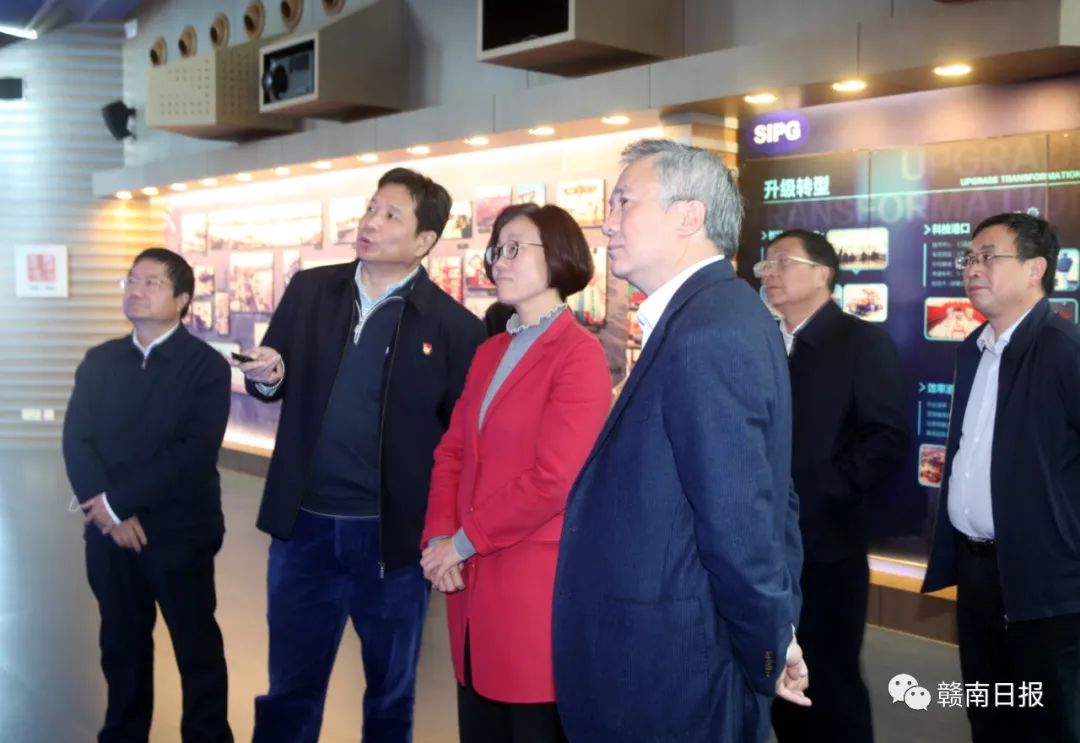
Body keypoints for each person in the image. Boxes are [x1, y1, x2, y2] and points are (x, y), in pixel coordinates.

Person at [552, 139, 808, 743]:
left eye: (625, 203)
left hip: (678, 670)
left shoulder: (709, 330)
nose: (607, 223)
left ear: (689, 216)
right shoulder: (711, 314)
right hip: (672, 657)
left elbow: (741, 517)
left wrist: (770, 643)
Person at [237, 168, 486, 742]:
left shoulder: (453, 327)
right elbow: (272, 373)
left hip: (391, 541)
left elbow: (458, 446)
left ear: (424, 240)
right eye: (372, 207)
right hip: (303, 530)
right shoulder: (310, 290)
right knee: (289, 691)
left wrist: (446, 531)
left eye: (391, 214)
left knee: (390, 696)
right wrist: (268, 377)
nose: (370, 221)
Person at [420, 203, 611, 743]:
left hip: (530, 586)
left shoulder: (579, 355)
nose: (497, 262)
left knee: (530, 723)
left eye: (513, 249)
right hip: (468, 581)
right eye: (495, 250)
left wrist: (461, 542)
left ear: (559, 256)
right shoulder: (491, 351)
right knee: (478, 721)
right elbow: (451, 453)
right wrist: (438, 536)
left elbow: (555, 479)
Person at [63, 247, 233, 743]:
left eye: (152, 282)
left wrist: (119, 504)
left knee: (196, 649)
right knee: (121, 646)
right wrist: (108, 512)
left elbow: (193, 451)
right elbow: (77, 440)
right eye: (131, 280)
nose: (136, 290)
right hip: (109, 534)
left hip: (180, 532)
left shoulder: (205, 367)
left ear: (182, 300)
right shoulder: (100, 361)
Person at [923, 213, 1080, 743]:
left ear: (1036, 268)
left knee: (1047, 723)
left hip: (1047, 582)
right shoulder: (975, 348)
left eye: (989, 257)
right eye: (969, 258)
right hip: (979, 572)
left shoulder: (1063, 348)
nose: (972, 268)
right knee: (990, 714)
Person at [758, 230, 909, 743]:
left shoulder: (860, 342)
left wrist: (823, 490)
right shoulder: (762, 341)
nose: (769, 273)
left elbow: (885, 438)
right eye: (765, 264)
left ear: (823, 273)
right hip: (764, 546)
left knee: (830, 682)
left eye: (783, 262)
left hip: (826, 546)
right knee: (776, 679)